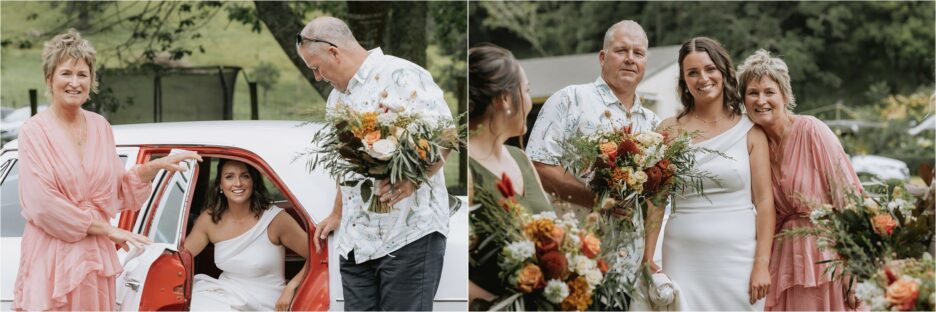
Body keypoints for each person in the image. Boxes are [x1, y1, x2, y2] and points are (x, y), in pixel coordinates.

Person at [13, 29, 201, 310]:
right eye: (66, 73)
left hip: (94, 259)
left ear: (92, 81)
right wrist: (105, 229)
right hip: (52, 258)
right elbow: (42, 205)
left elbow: (117, 190)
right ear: (49, 78)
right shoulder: (33, 131)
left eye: (82, 74)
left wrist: (153, 168)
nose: (74, 83)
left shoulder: (100, 127)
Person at [297, 16, 453, 311]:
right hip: (357, 243)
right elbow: (345, 165)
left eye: (316, 68)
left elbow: (447, 136)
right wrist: (337, 212)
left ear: (334, 52)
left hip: (408, 235)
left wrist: (413, 179)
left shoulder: (402, 74)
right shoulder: (336, 100)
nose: (317, 77)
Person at [524, 20, 661, 305]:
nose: (630, 59)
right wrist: (596, 199)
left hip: (631, 271)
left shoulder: (652, 123)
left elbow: (657, 199)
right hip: (576, 262)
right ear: (602, 57)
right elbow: (538, 165)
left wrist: (649, 256)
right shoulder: (570, 100)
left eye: (638, 53)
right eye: (621, 50)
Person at [642, 37, 774, 310]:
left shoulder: (751, 131)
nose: (703, 78)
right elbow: (657, 201)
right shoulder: (668, 131)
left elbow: (764, 202)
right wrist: (647, 257)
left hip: (740, 259)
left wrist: (762, 264)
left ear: (723, 71)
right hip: (683, 258)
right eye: (692, 72)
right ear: (684, 81)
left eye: (709, 68)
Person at [737, 49, 863, 311]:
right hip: (781, 262)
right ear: (744, 100)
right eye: (753, 93)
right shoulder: (751, 145)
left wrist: (856, 269)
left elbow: (850, 201)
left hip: (825, 258)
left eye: (769, 91)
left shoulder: (812, 131)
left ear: (784, 96)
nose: (761, 100)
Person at [467, 44, 553, 308]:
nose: (528, 100)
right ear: (504, 98)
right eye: (525, 90)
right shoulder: (467, 170)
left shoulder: (521, 158)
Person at [184, 159, 309, 311]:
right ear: (220, 185)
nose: (238, 183)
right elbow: (181, 258)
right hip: (224, 295)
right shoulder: (210, 219)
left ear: (253, 182)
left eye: (245, 176)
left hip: (266, 303)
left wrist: (292, 287)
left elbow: (319, 255)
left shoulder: (275, 219)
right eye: (229, 177)